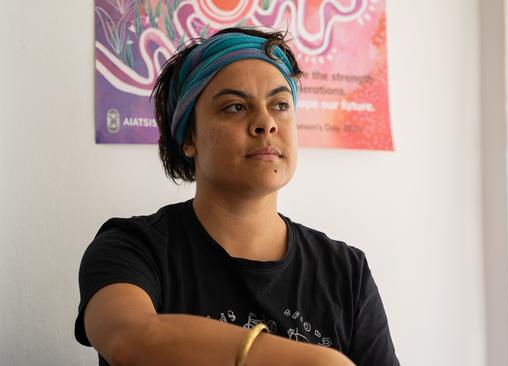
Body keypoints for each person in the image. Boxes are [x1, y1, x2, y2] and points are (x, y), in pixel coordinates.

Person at [75, 27, 399, 366]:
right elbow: (132, 340)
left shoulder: (346, 271)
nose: (265, 122)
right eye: (235, 107)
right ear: (189, 137)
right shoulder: (131, 248)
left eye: (280, 104)